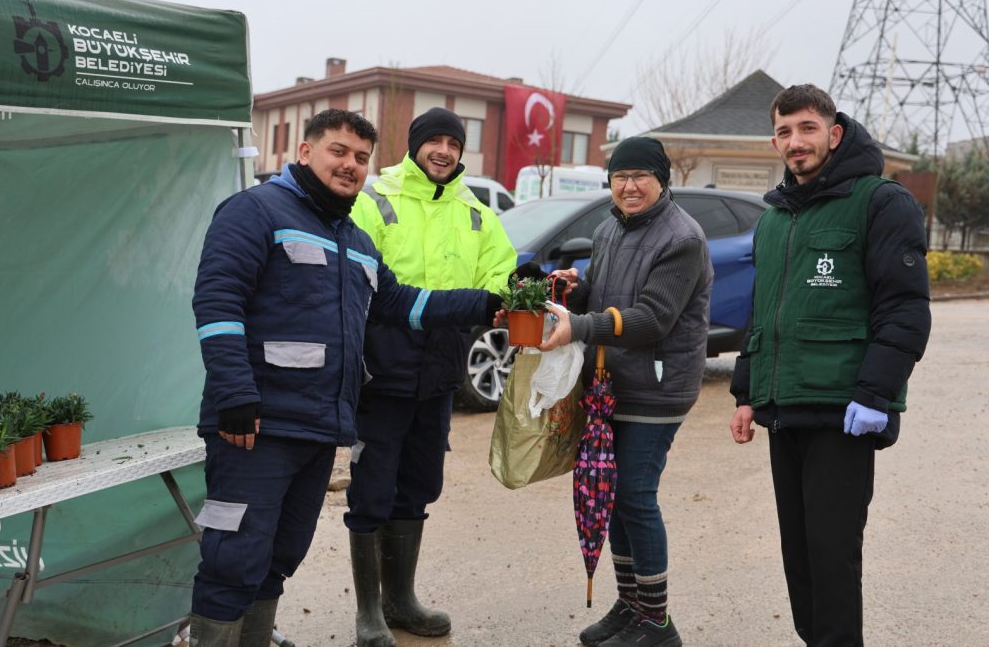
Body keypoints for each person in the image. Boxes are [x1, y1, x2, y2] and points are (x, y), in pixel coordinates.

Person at [190, 109, 502, 646]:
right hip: (257, 425)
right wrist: (235, 395)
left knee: (280, 555)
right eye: (338, 151)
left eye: (361, 157)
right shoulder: (254, 211)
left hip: (320, 426)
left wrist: (489, 302)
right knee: (234, 554)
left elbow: (401, 302)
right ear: (305, 152)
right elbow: (217, 302)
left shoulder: (354, 238)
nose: (350, 165)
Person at [728, 84, 931, 646]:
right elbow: (762, 311)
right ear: (775, 140)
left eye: (808, 129)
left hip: (844, 411)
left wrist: (875, 394)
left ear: (834, 133)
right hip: (783, 407)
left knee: (833, 557)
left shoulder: (880, 201)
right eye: (785, 132)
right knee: (800, 559)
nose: (796, 142)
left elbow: (905, 307)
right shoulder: (773, 218)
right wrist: (745, 392)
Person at [345, 107, 516, 646]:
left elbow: (500, 274)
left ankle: (401, 600)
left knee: (419, 485)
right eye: (434, 141)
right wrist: (458, 304)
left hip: (440, 372)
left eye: (453, 142)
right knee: (372, 488)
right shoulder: (376, 200)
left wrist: (521, 287)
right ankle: (369, 612)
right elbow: (371, 282)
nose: (443, 150)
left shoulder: (476, 213)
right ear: (414, 145)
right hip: (384, 370)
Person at [538, 136, 713, 647]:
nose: (630, 186)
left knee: (635, 496)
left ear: (662, 180)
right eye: (620, 177)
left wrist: (580, 326)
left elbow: (653, 318)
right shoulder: (609, 227)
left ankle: (657, 622)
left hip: (658, 385)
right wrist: (575, 290)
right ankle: (631, 604)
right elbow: (608, 296)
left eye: (641, 176)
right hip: (614, 381)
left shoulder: (683, 237)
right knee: (614, 498)